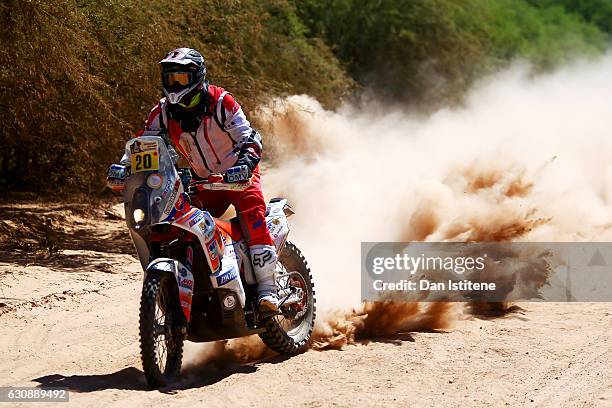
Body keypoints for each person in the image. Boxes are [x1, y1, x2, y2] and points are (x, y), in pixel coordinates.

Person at [108, 48, 278, 311]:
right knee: (184, 226)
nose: (174, 85)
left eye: (181, 79)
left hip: (237, 176)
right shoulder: (162, 112)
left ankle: (268, 291)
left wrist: (244, 165)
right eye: (170, 78)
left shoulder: (222, 102)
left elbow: (250, 138)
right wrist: (123, 165)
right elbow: (143, 144)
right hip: (202, 180)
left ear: (197, 77)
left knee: (253, 217)